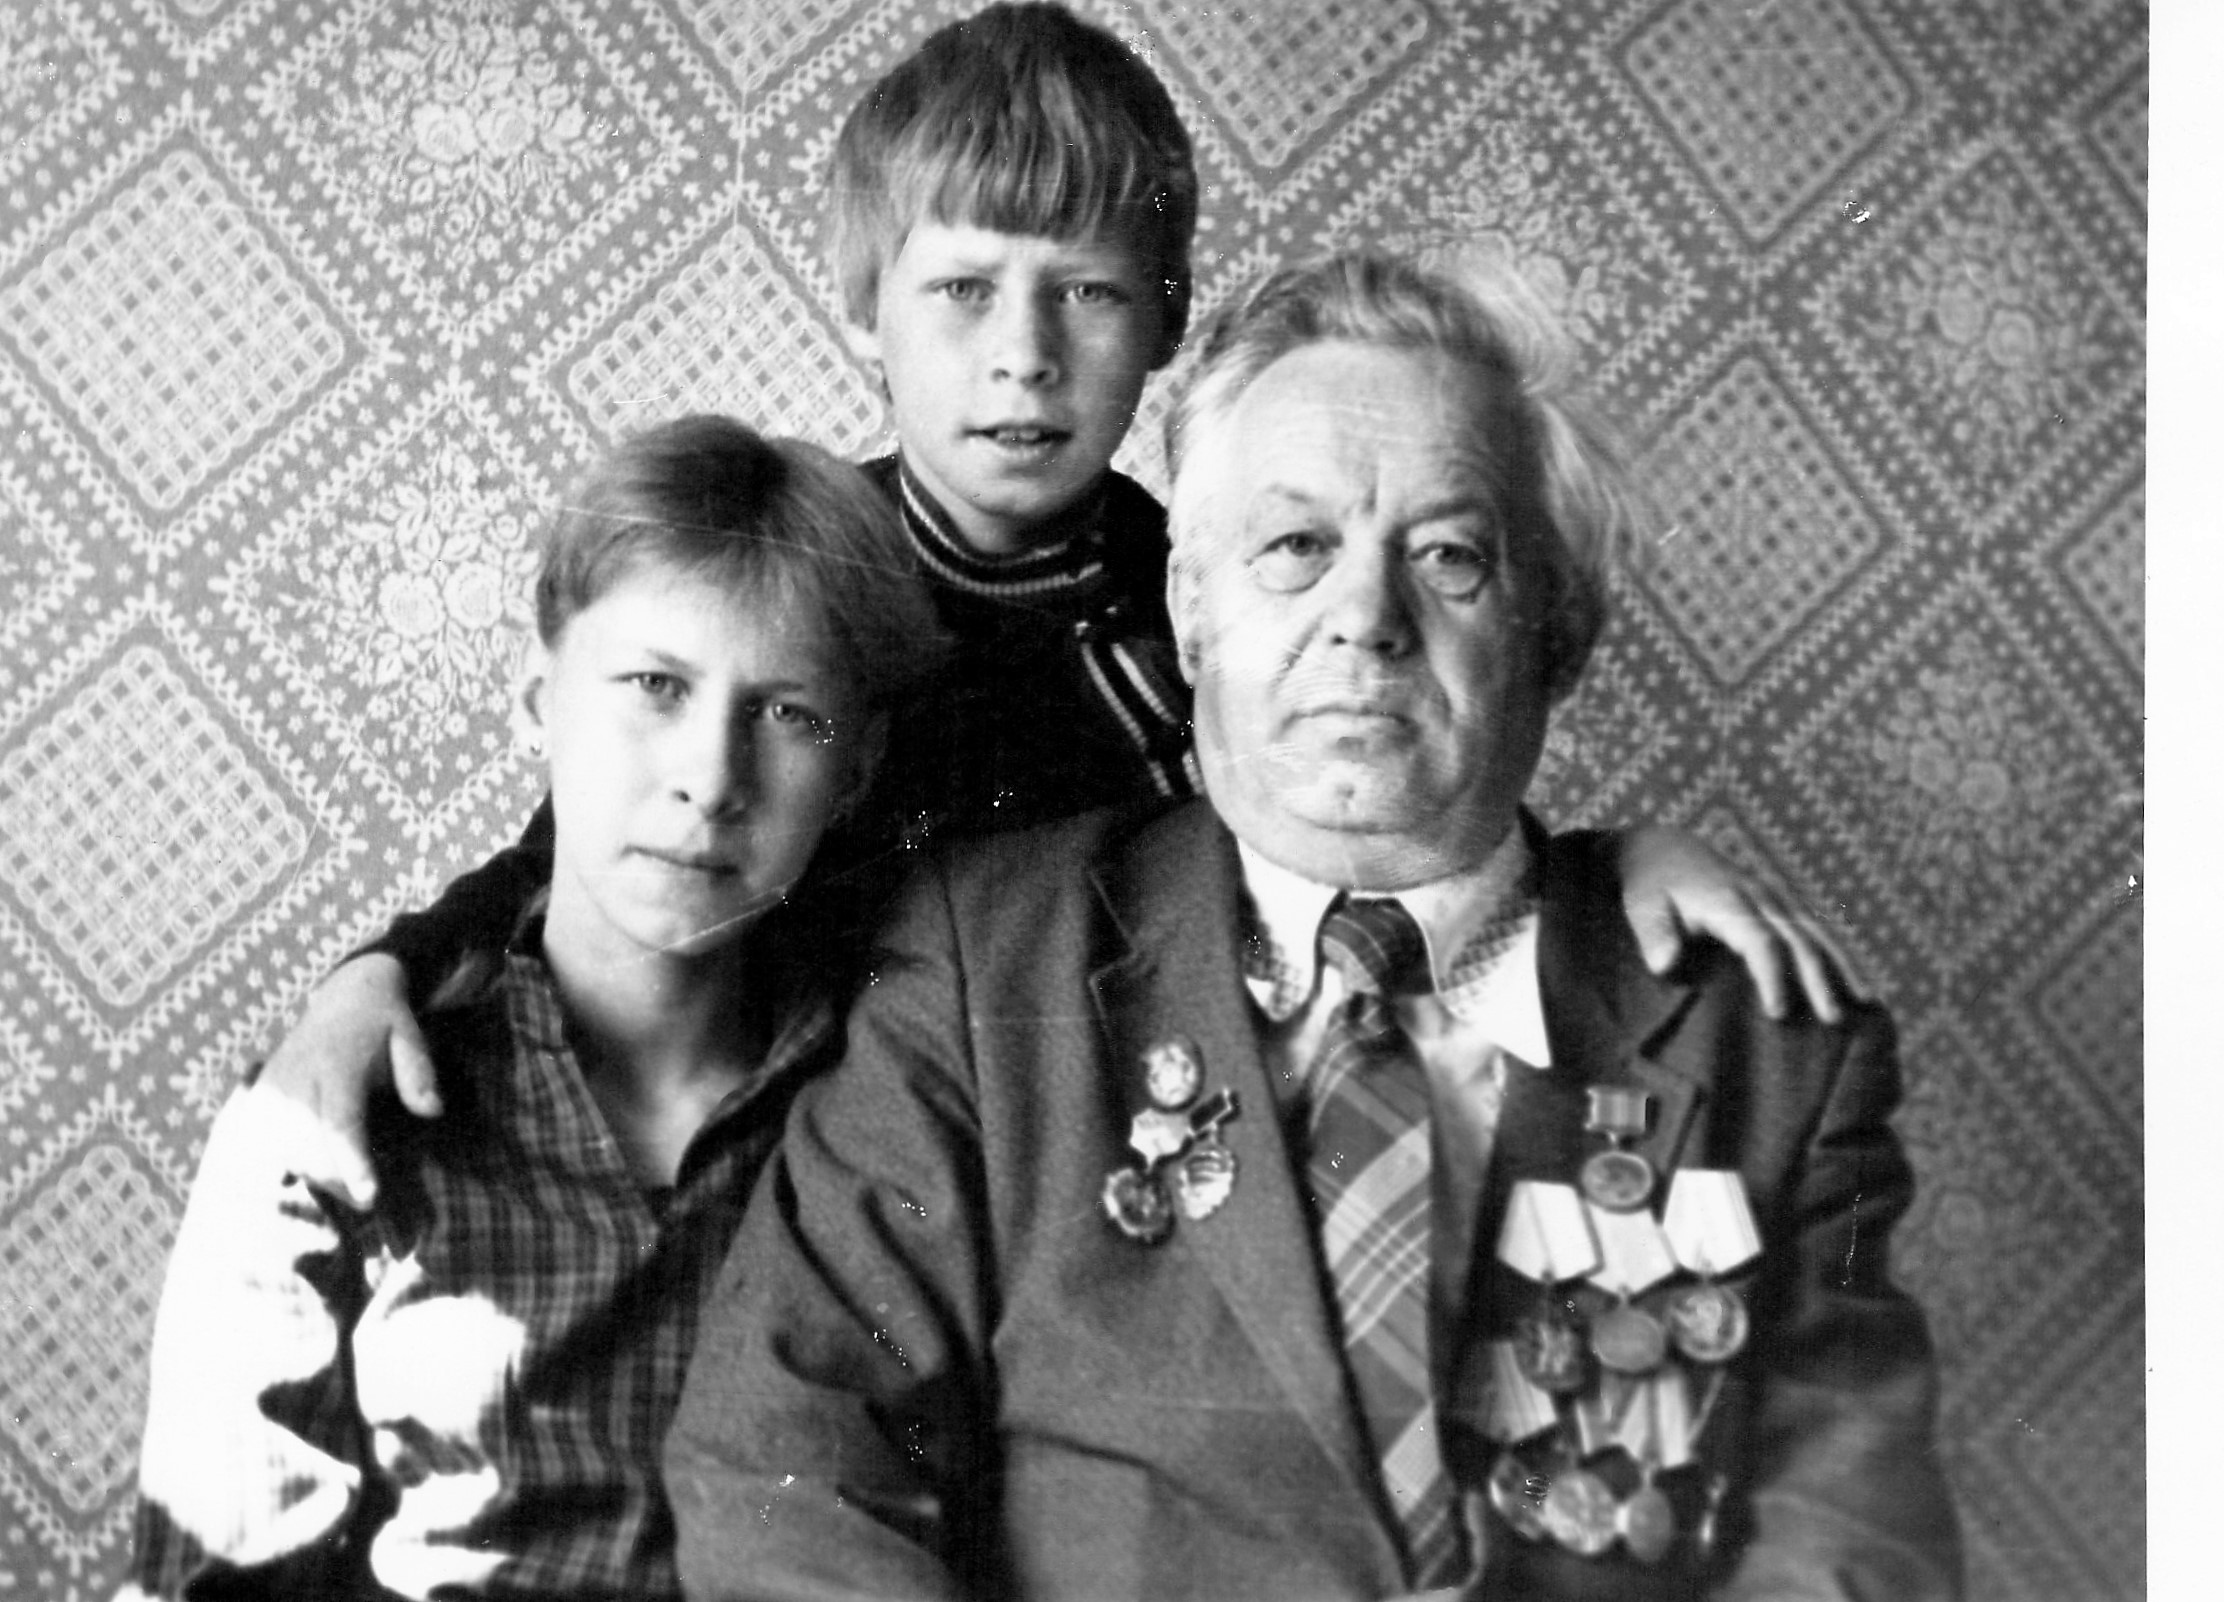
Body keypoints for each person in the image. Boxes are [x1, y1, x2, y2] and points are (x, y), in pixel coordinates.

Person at [254, 3, 1861, 1213]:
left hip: (1078, 1183)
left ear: (1162, 320)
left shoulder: (1212, 609)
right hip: (771, 1153)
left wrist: (1612, 865)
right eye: (962, 291)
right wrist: (382, 969)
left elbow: (1383, 816)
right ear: (867, 309)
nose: (1022, 357)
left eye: (1086, 293)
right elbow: (593, 849)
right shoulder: (789, 581)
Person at [660, 253, 1960, 1602]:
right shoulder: (987, 971)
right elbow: (786, 1468)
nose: (1364, 621)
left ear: (1558, 634)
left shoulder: (1767, 1049)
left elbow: (1850, 1541)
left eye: (1449, 556)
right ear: (1191, 609)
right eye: (1295, 548)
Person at [123, 418, 945, 1601]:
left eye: (787, 716)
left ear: (856, 769)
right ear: (538, 702)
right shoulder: (336, 1121)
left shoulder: (893, 1117)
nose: (710, 780)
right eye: (654, 687)